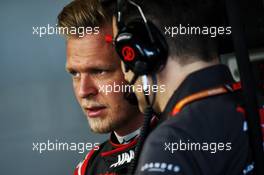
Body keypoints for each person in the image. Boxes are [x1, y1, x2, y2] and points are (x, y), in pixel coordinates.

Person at [110, 0, 254, 174]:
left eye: (122, 55)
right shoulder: (254, 108)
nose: (125, 74)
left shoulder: (170, 145)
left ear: (145, 52)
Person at [57, 0, 144, 174]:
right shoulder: (87, 169)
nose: (84, 91)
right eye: (75, 73)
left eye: (99, 71)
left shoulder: (185, 146)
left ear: (139, 67)